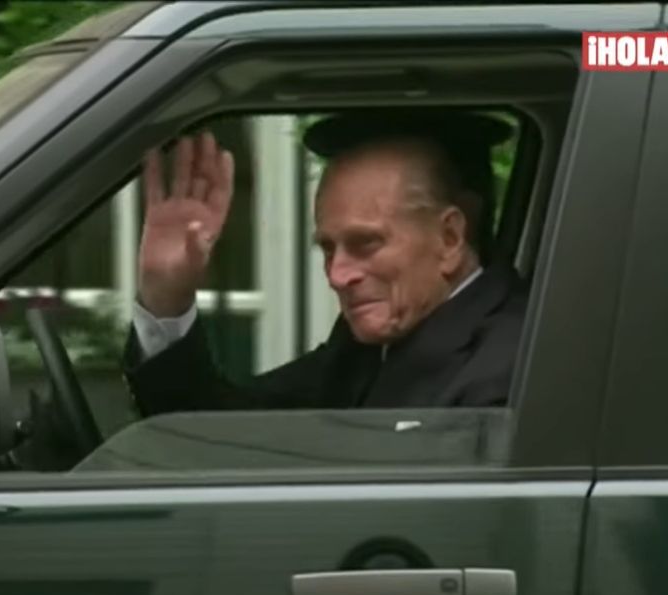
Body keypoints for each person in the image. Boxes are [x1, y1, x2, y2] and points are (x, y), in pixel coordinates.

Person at [121, 109, 529, 415]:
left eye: (365, 243)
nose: (337, 275)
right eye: (328, 249)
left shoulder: (510, 373)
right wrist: (166, 295)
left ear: (450, 238)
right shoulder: (359, 350)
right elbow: (214, 432)